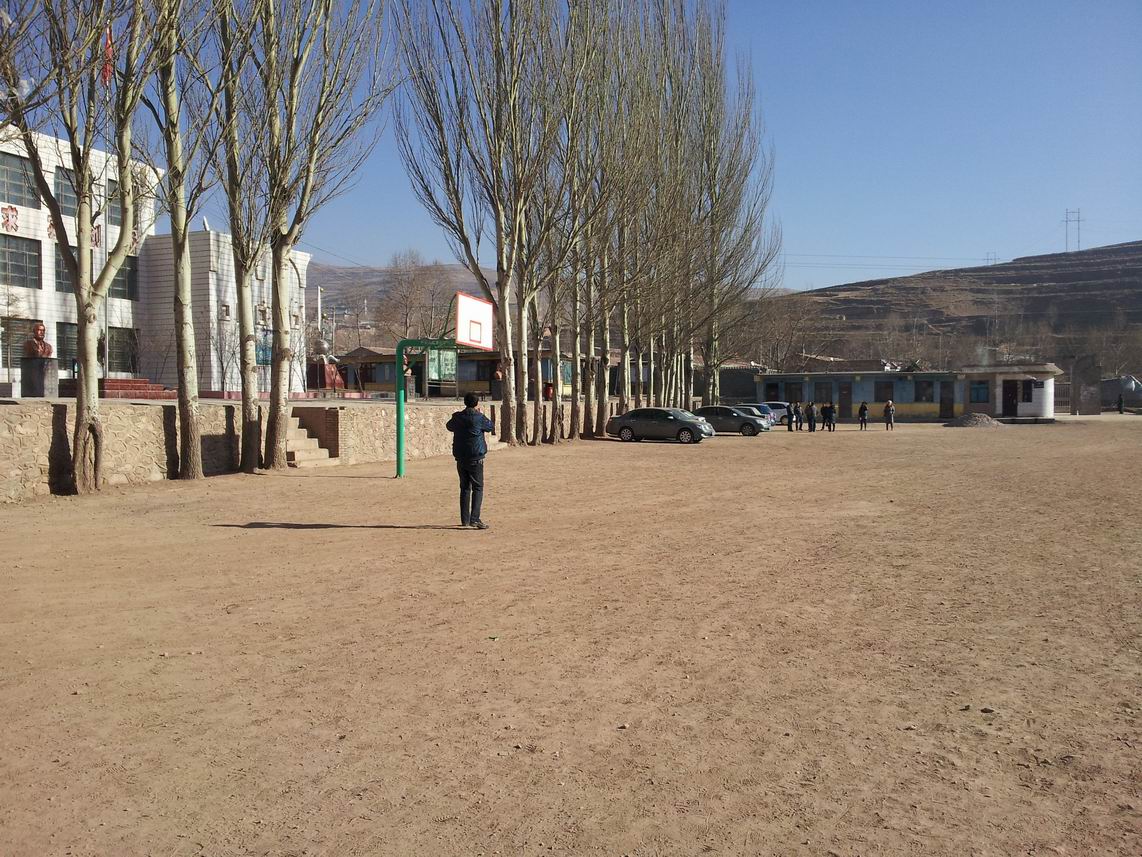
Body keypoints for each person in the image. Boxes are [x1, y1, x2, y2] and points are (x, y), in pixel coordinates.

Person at [446, 392, 496, 529]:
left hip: (461, 457)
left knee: (464, 488)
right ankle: (475, 519)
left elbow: (449, 426)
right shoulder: (479, 417)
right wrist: (480, 414)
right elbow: (490, 426)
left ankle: (465, 519)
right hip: (475, 457)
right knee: (478, 488)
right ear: (477, 403)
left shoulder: (458, 417)